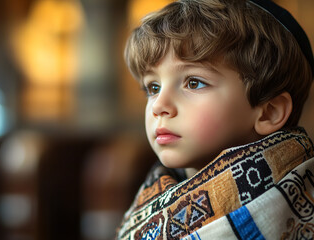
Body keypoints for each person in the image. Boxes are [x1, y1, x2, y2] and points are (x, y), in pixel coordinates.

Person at [117, 0, 314, 239]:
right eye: (153, 87)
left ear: (269, 112)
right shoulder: (152, 196)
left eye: (194, 82)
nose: (159, 105)